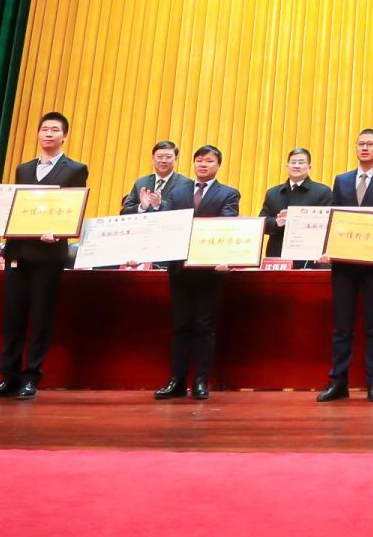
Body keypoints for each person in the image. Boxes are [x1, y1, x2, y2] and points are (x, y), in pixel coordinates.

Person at [0, 111, 89, 400]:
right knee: (12, 317)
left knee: (41, 317)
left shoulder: (75, 168)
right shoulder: (24, 168)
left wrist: (61, 231)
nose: (48, 134)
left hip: (49, 254)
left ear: (64, 136)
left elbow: (73, 208)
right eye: (44, 129)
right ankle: (8, 376)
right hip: (18, 252)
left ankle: (31, 377)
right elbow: (17, 208)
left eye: (54, 130)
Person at [318, 128, 373, 403]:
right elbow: (335, 218)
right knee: (341, 327)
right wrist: (328, 249)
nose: (365, 148)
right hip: (344, 265)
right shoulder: (341, 180)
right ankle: (338, 382)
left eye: (370, 144)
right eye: (361, 144)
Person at [153, 145, 241, 400]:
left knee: (204, 326)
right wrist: (155, 208)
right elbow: (166, 224)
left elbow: (226, 227)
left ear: (218, 165)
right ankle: (177, 381)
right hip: (180, 269)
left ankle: (201, 381)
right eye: (199, 160)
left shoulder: (228, 193)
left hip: (209, 271)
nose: (203, 165)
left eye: (209, 161)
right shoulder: (177, 192)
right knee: (180, 326)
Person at [259, 148, 332, 267]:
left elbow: (327, 224)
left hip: (308, 256)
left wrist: (295, 219)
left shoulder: (322, 191)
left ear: (309, 167)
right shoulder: (272, 193)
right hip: (277, 254)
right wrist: (278, 222)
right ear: (287, 166)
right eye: (293, 162)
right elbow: (262, 223)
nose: (296, 165)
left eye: (301, 162)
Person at [121, 141, 193, 216]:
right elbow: (124, 211)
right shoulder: (141, 182)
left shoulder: (186, 184)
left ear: (176, 159)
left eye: (168, 157)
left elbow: (186, 213)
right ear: (153, 158)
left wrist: (159, 204)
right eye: (159, 157)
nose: (163, 161)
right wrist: (142, 207)